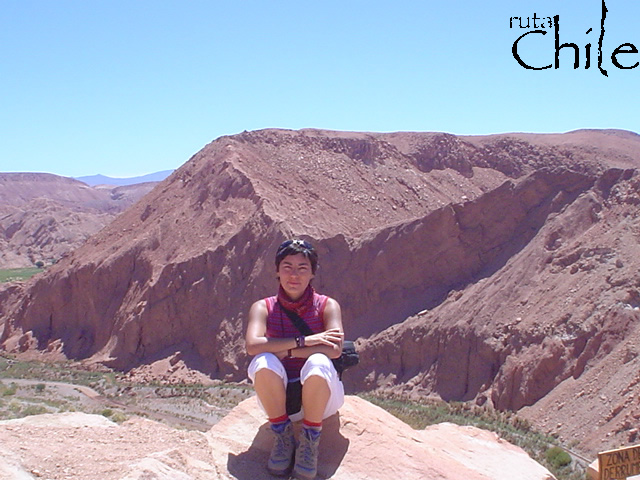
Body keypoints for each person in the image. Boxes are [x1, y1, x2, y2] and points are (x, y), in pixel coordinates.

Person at [246, 239, 345, 479]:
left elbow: (334, 350)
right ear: (277, 270)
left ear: (312, 273)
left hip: (323, 400)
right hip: (278, 401)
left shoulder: (327, 306)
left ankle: (309, 443)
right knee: (262, 362)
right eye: (287, 266)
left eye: (302, 268)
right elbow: (252, 345)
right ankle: (283, 437)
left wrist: (285, 350)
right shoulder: (263, 307)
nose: (294, 275)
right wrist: (306, 341)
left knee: (319, 362)